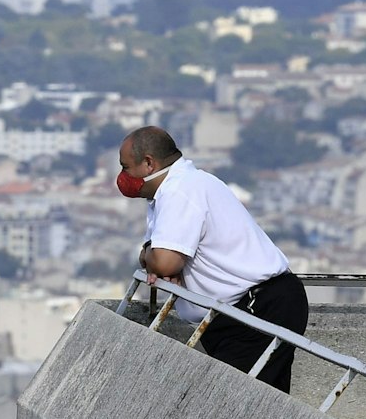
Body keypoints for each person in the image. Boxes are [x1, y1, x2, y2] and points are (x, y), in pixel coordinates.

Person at [115, 125, 308, 393]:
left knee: (228, 405)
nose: (123, 177)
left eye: (126, 167)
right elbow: (159, 256)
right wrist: (154, 256)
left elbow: (165, 262)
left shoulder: (181, 190)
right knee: (259, 409)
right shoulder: (173, 191)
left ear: (148, 163)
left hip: (257, 308)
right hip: (241, 312)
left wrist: (151, 257)